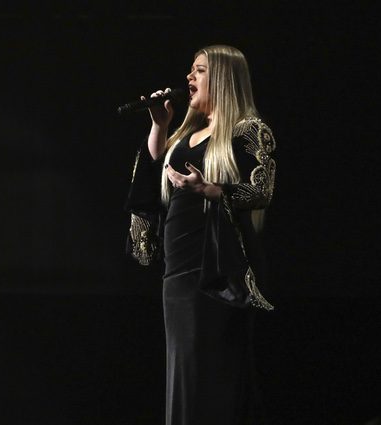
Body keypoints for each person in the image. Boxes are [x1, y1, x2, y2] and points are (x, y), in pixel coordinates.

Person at [125, 45, 276, 425]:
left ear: (223, 79)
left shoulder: (246, 130)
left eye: (200, 71)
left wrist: (211, 190)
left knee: (214, 372)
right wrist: (159, 126)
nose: (189, 78)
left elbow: (261, 189)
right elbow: (152, 191)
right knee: (183, 371)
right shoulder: (183, 135)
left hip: (217, 269)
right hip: (177, 273)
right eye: (190, 70)